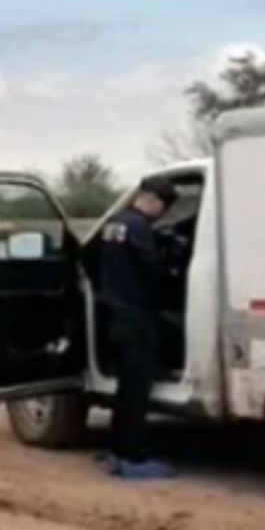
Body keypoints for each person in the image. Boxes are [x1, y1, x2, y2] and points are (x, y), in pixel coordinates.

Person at [98, 177, 178, 480]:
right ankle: (134, 458)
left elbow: (92, 260)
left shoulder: (113, 223)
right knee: (137, 393)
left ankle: (117, 453)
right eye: (164, 208)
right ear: (154, 201)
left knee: (124, 389)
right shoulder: (140, 228)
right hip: (137, 318)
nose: (162, 215)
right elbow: (153, 270)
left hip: (115, 315)